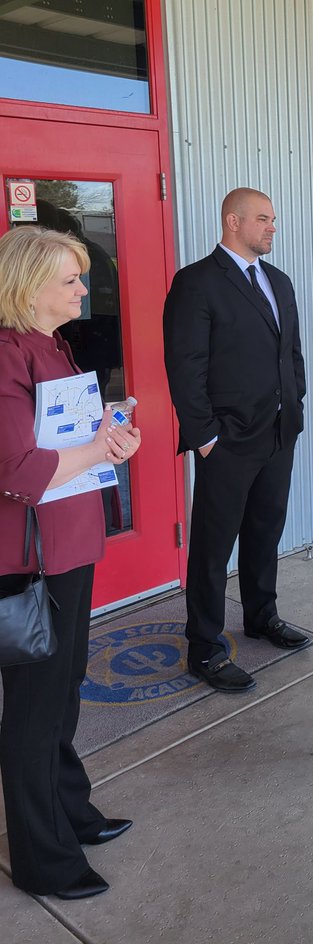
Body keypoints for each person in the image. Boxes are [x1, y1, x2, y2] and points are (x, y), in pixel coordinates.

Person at [0, 225, 139, 900]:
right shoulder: (4, 354)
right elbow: (17, 466)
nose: (84, 290)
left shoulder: (48, 344)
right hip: (31, 559)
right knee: (34, 709)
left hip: (68, 546)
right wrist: (100, 447)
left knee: (65, 689)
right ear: (28, 286)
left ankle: (71, 811)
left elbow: (56, 429)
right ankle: (42, 858)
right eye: (71, 280)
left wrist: (107, 423)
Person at [163, 188, 307, 694]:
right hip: (227, 441)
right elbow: (185, 367)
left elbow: (291, 353)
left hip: (278, 432)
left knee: (266, 530)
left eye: (273, 219)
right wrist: (204, 438)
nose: (272, 227)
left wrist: (296, 403)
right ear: (233, 221)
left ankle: (261, 616)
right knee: (212, 545)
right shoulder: (197, 283)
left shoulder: (278, 281)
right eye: (264, 219)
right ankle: (204, 646)